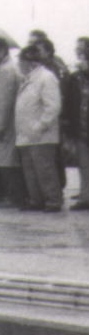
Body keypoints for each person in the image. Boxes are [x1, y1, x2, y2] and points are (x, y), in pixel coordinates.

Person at [15, 47, 64, 212]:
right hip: (26, 134)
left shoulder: (46, 78)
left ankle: (53, 200)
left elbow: (52, 106)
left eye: (21, 62)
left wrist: (40, 125)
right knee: (31, 171)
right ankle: (36, 199)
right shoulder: (28, 79)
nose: (19, 65)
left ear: (30, 62)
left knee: (44, 169)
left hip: (41, 135)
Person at [0, 37, 25, 207]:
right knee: (8, 160)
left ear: (2, 51)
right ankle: (15, 196)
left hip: (6, 124)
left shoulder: (5, 71)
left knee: (6, 162)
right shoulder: (7, 68)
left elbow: (4, 100)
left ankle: (14, 196)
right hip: (11, 123)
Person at [68, 45, 89, 211]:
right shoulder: (75, 79)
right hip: (81, 128)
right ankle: (85, 197)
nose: (82, 62)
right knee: (83, 165)